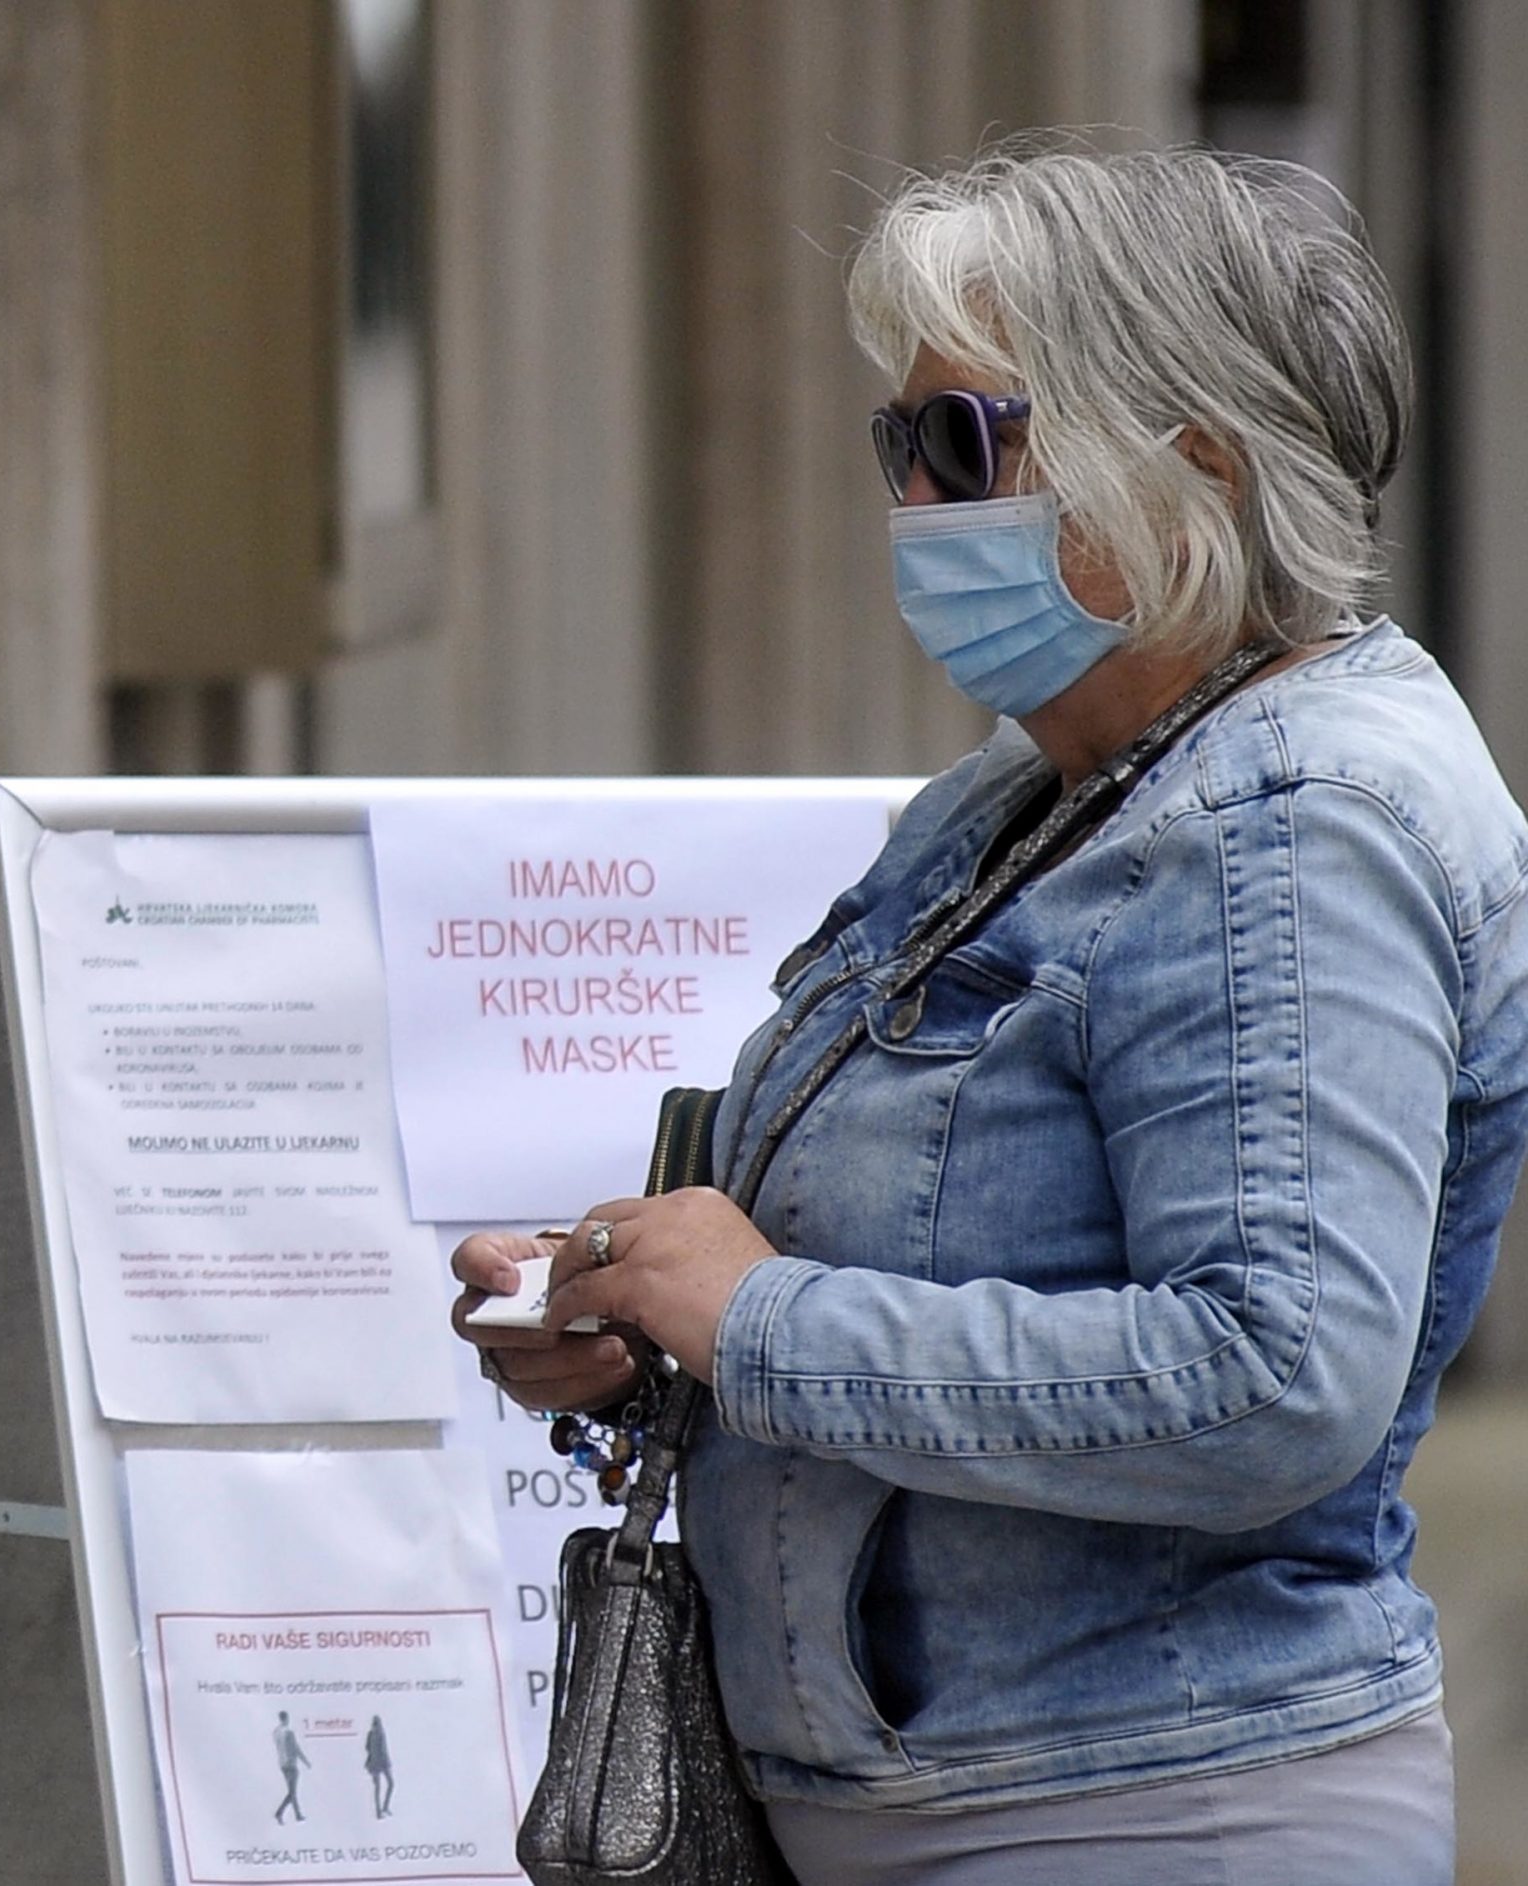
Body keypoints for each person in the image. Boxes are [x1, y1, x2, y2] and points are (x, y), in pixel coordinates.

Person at [455, 144, 1525, 1886]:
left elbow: (1273, 1380)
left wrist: (765, 1321)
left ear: (1185, 465)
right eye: (899, 444)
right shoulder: (1036, 789)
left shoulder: (1292, 827)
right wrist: (645, 1311)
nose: (913, 504)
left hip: (1153, 1808)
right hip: (958, 1799)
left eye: (960, 444)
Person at [274, 1710, 311, 1823]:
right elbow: (295, 1749)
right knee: (292, 1792)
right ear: (286, 1718)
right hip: (291, 1763)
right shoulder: (289, 1732)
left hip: (282, 1763)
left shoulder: (276, 1732)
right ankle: (280, 1813)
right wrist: (306, 1761)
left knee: (292, 1791)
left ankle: (297, 1815)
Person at [364, 1714, 394, 1818]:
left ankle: (378, 1812)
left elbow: (367, 1748)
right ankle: (385, 1807)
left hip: (373, 1764)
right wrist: (388, 1763)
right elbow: (383, 1750)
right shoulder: (381, 1733)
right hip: (382, 1763)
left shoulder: (370, 1734)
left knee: (377, 1788)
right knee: (390, 1784)